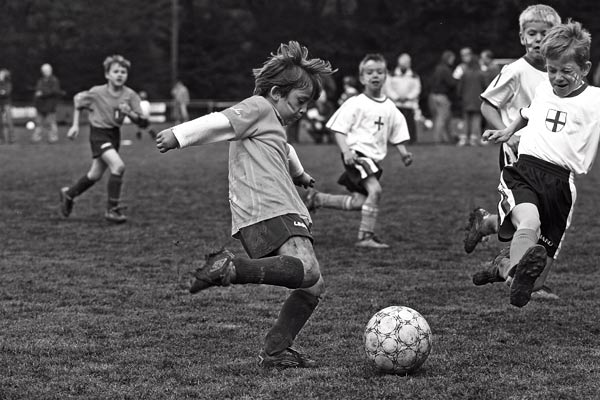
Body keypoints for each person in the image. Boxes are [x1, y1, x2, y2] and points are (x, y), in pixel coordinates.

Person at [155, 41, 334, 368]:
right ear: (277, 93)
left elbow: (286, 151)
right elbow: (218, 121)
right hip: (272, 206)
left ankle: (276, 350)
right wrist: (178, 135)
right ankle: (229, 267)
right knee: (307, 270)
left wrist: (301, 174)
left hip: (258, 213)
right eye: (300, 101)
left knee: (314, 284)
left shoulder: (272, 124)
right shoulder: (259, 107)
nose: (303, 110)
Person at [481, 20, 599, 308]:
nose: (557, 77)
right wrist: (507, 131)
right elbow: (526, 112)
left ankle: (503, 267)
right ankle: (513, 265)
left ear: (584, 69)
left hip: (561, 186)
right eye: (551, 69)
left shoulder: (595, 100)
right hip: (525, 172)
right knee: (529, 222)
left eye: (566, 71)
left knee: (533, 284)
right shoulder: (544, 90)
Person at [465, 4, 561, 299]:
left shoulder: (559, 74)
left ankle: (486, 225)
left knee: (541, 220)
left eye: (545, 34)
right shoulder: (516, 71)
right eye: (532, 33)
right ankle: (528, 280)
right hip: (518, 157)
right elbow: (487, 104)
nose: (537, 39)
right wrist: (508, 135)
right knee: (533, 219)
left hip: (551, 161)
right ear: (522, 37)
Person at [303, 53, 413, 249]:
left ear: (386, 76)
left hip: (372, 160)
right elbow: (338, 129)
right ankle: (365, 237)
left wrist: (403, 152)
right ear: (362, 78)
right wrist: (346, 151)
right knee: (375, 191)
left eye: (379, 72)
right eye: (369, 72)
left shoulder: (390, 107)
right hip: (357, 155)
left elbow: (396, 131)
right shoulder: (355, 103)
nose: (375, 76)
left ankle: (317, 199)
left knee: (360, 202)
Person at [59, 55, 148, 223]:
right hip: (98, 134)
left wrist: (129, 113)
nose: (120, 74)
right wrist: (75, 125)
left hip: (114, 135)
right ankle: (112, 210)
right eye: (115, 71)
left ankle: (69, 194)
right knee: (118, 166)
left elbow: (143, 123)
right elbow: (77, 101)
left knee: (94, 175)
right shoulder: (96, 92)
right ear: (107, 75)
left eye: (123, 72)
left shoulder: (131, 95)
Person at [384, 53, 421, 144]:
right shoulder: (392, 75)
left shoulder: (413, 76)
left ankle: (411, 140)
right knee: (395, 123)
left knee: (409, 122)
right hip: (395, 103)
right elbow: (388, 88)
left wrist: (408, 97)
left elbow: (417, 89)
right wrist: (396, 97)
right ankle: (394, 140)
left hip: (409, 103)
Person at [455, 48, 486, 147]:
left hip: (466, 99)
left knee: (466, 119)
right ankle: (473, 139)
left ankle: (464, 138)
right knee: (476, 120)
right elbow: (485, 86)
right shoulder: (481, 73)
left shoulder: (465, 73)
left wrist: (459, 96)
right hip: (477, 100)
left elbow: (460, 87)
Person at [428, 50, 457, 144]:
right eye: (452, 58)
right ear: (448, 59)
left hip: (433, 96)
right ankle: (438, 140)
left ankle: (445, 138)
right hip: (442, 96)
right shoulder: (445, 69)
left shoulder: (438, 68)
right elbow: (451, 83)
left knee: (440, 117)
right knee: (442, 118)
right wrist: (457, 79)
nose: (453, 60)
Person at [32, 63, 62, 143]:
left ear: (50, 70)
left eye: (47, 70)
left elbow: (55, 91)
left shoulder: (54, 80)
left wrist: (42, 93)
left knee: (51, 123)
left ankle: (53, 138)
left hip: (50, 106)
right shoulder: (40, 80)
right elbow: (37, 91)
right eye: (44, 70)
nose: (45, 72)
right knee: (38, 123)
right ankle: (36, 138)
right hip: (40, 106)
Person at [0, 68, 15, 144]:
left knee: (9, 122)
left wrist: (3, 92)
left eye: (1, 74)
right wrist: (2, 92)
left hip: (7, 104)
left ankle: (11, 138)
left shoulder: (8, 83)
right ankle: (2, 139)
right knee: (0, 123)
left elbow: (7, 93)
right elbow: (3, 92)